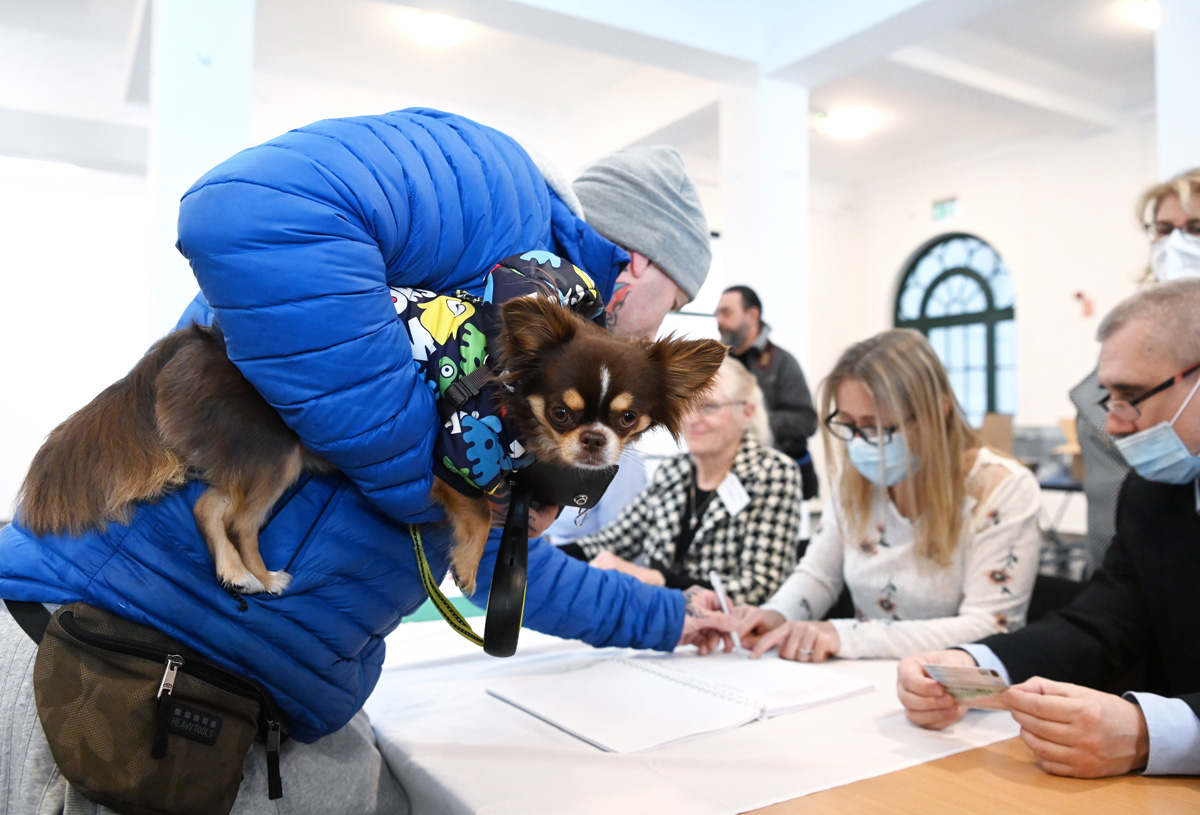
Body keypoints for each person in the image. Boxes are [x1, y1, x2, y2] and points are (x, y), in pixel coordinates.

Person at [0, 108, 735, 814]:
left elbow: (489, 552)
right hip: (123, 654)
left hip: (246, 691)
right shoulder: (496, 189)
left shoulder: (540, 367)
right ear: (640, 264)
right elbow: (247, 210)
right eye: (673, 303)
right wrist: (432, 473)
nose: (660, 330)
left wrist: (665, 616)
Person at [897, 278, 1200, 780]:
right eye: (1111, 399)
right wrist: (973, 666)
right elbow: (1103, 625)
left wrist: (1151, 733)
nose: (1115, 424)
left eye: (1131, 397)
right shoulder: (1151, 494)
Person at [705, 328, 1043, 662]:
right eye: (849, 425)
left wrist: (847, 636)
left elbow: (990, 627)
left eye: (875, 427)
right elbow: (819, 574)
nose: (859, 442)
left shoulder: (1001, 489)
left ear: (937, 411)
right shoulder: (858, 483)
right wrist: (777, 614)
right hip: (867, 683)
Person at [560, 357, 802, 605]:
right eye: (686, 406)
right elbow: (614, 539)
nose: (692, 419)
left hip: (732, 635)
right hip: (667, 624)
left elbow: (760, 586)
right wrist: (541, 558)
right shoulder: (673, 471)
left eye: (708, 407)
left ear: (747, 413)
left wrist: (657, 579)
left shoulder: (773, 474)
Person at [1067, 167, 1200, 578]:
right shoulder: (1132, 337)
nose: (1176, 243)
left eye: (1195, 227)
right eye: (1164, 229)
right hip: (1133, 575)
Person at [716, 285, 820, 499]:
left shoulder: (783, 363)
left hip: (778, 484)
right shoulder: (716, 365)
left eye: (726, 313)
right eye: (717, 314)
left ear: (753, 315)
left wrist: (751, 422)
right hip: (727, 480)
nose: (719, 321)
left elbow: (806, 421)